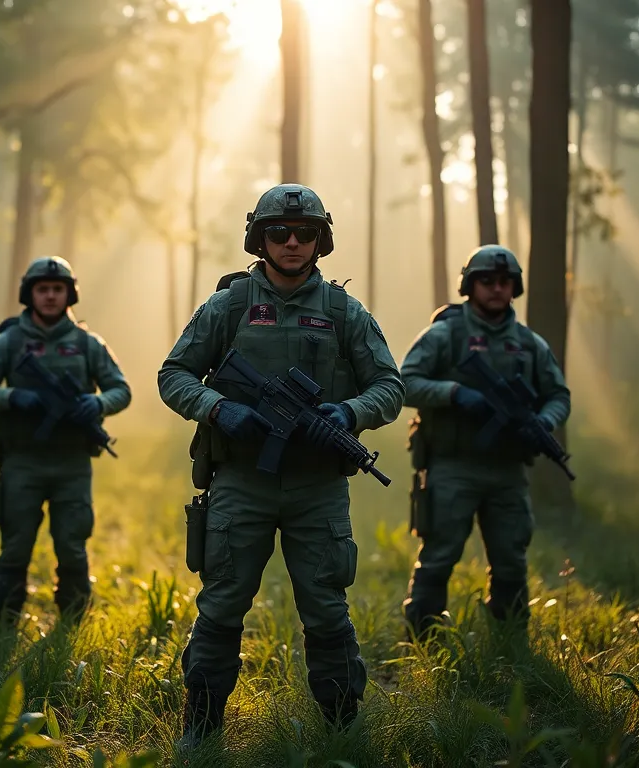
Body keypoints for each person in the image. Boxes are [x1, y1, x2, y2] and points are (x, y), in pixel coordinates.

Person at [158, 183, 405, 745]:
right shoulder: (229, 306)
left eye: (305, 233)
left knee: (326, 607)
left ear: (321, 240)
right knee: (222, 601)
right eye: (279, 232)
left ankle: (342, 727)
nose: (292, 242)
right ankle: (201, 725)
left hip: (317, 486)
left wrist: (349, 412)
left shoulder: (344, 312)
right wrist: (218, 408)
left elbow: (390, 386)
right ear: (259, 238)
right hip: (241, 480)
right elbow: (173, 374)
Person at [398, 245, 571, 641]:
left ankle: (511, 642)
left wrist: (544, 421)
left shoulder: (529, 344)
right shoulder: (444, 335)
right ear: (470, 285)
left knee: (511, 559)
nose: (496, 288)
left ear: (515, 288)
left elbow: (558, 395)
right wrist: (454, 393)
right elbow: (404, 383)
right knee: (439, 556)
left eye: (505, 282)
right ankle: (422, 639)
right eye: (487, 281)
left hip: (508, 469)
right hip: (452, 464)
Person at [0, 255, 131, 624]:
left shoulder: (87, 344)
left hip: (72, 463)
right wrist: (12, 397)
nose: (49, 296)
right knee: (15, 545)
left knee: (72, 546)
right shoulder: (9, 342)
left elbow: (121, 390)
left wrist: (96, 403)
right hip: (21, 460)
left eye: (57, 289)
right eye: (42, 289)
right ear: (29, 294)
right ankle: (3, 620)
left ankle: (73, 621)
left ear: (69, 294)